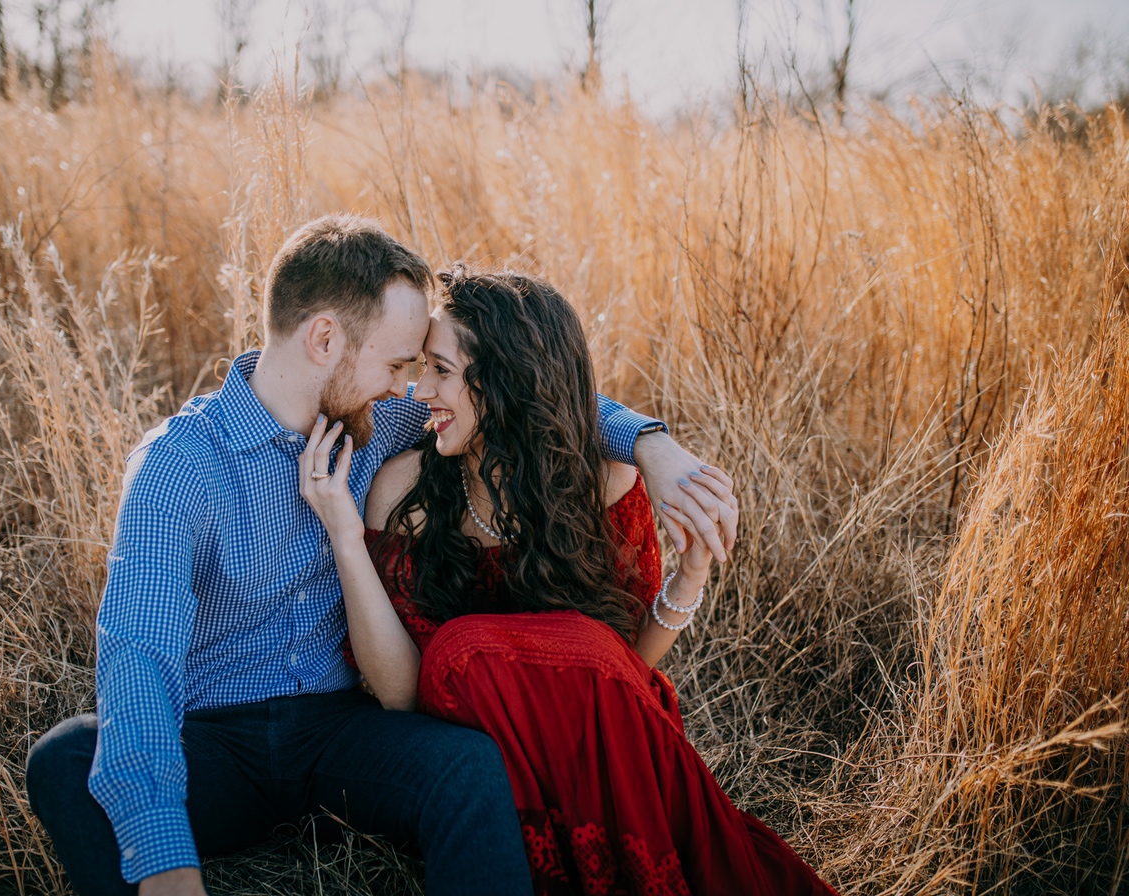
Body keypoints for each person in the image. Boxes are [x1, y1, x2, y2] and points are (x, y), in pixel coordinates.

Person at [24, 216, 735, 896]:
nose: (409, 389)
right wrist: (162, 861)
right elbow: (137, 657)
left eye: (418, 368)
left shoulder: (376, 416)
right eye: (398, 363)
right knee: (63, 760)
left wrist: (652, 445)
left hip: (341, 734)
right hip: (214, 743)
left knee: (468, 768)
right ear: (325, 339)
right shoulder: (177, 466)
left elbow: (527, 394)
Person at [299, 266, 836, 896]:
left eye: (441, 371)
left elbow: (624, 664)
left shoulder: (605, 483)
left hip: (605, 742)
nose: (420, 392)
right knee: (461, 651)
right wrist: (343, 535)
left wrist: (690, 575)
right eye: (421, 368)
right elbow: (403, 696)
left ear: (504, 383)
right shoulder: (402, 493)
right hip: (486, 769)